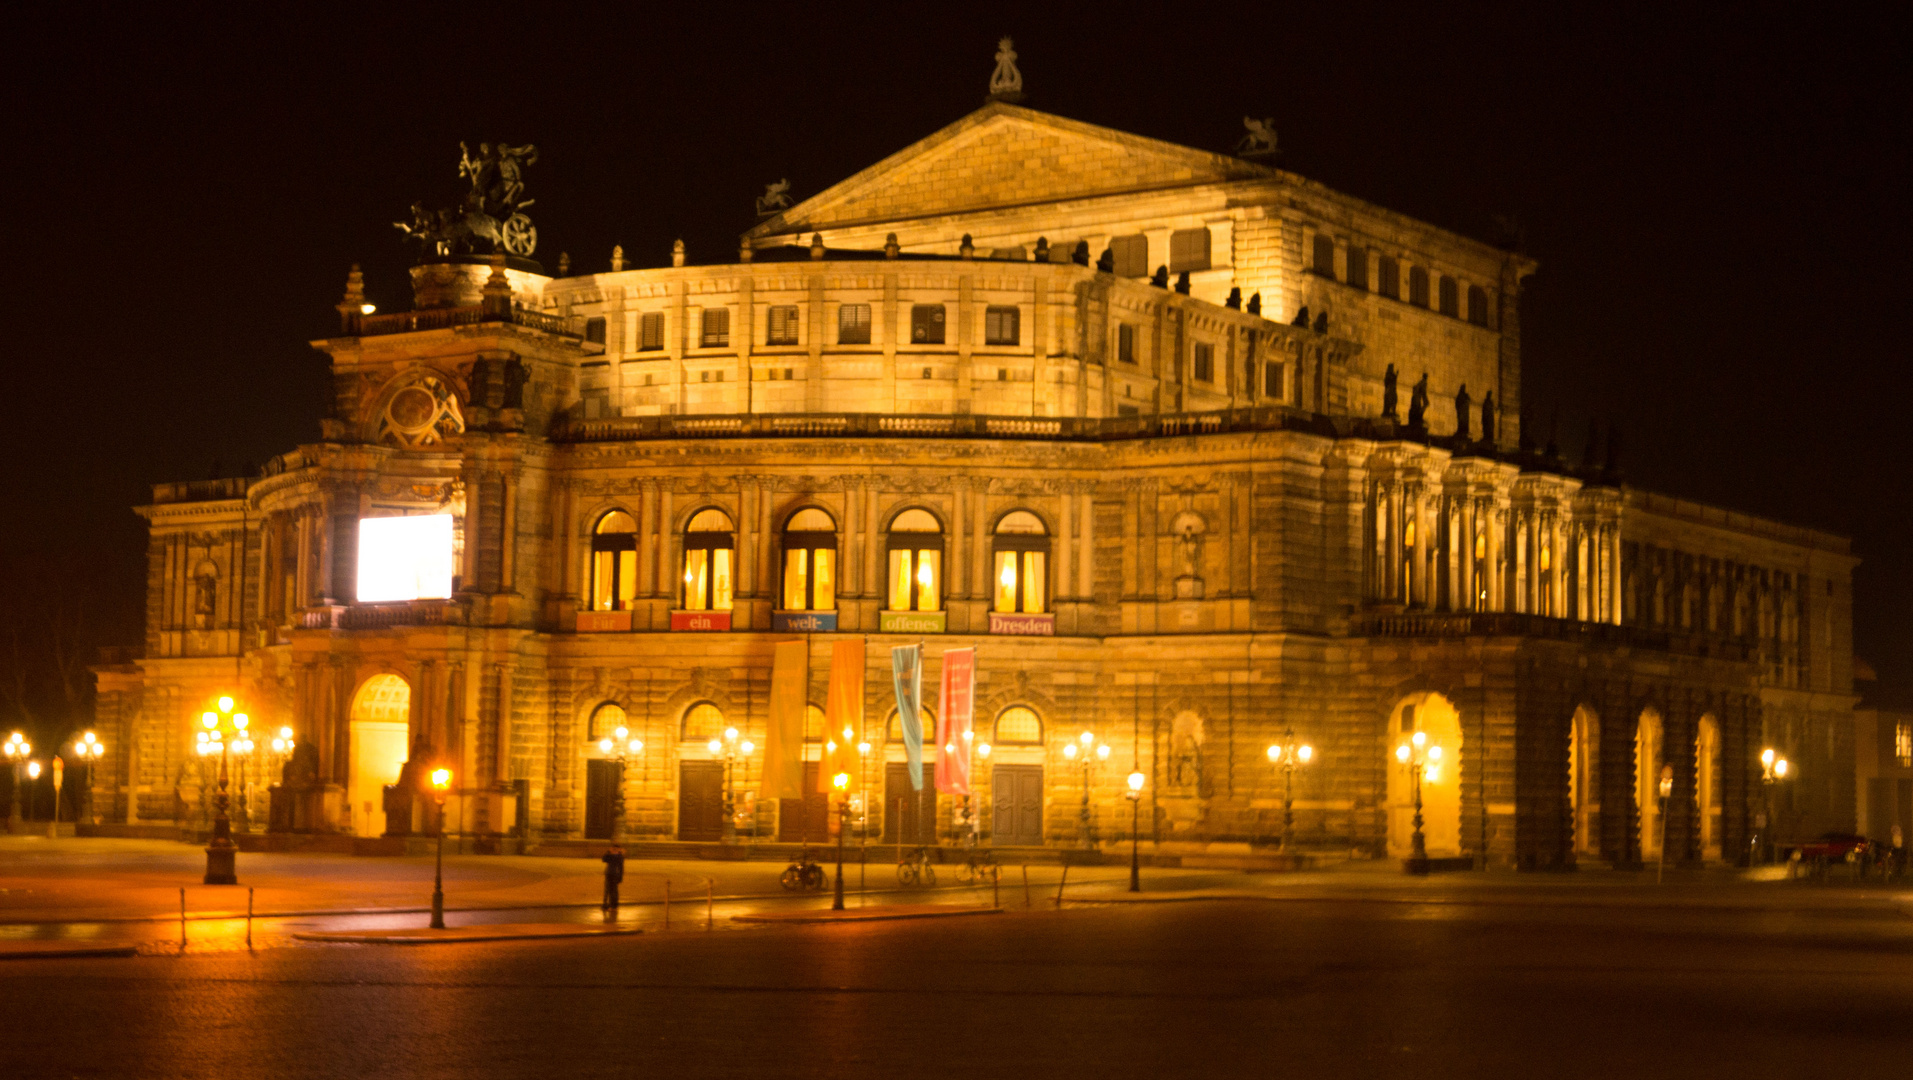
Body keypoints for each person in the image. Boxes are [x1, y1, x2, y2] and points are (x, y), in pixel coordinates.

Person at [600, 843, 626, 918]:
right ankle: (605, 905)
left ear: (619, 849)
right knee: (607, 890)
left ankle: (614, 906)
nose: (614, 850)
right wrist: (608, 852)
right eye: (613, 848)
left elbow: (621, 868)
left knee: (613, 891)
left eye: (616, 849)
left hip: (615, 875)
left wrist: (620, 877)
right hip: (608, 874)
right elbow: (603, 859)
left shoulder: (620, 856)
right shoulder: (610, 855)